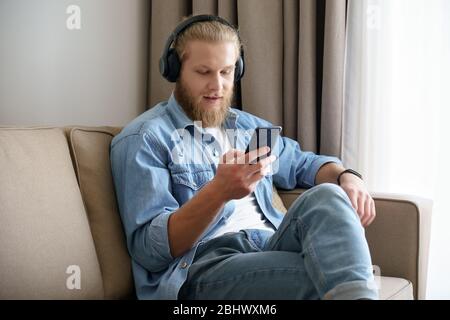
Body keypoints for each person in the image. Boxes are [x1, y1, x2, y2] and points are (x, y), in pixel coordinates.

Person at [110, 15, 378, 300]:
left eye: (226, 72)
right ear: (174, 70)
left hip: (268, 245)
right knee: (332, 277)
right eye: (203, 72)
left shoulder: (249, 128)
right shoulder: (146, 138)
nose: (217, 85)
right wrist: (219, 192)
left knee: (328, 194)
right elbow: (149, 251)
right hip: (204, 266)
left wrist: (346, 176)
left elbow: (305, 164)